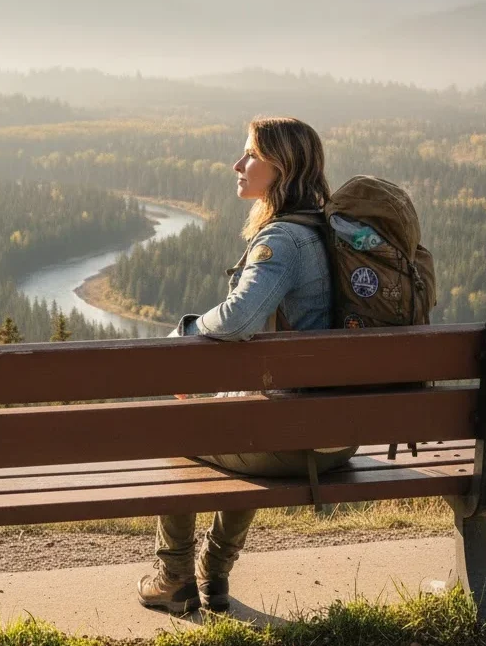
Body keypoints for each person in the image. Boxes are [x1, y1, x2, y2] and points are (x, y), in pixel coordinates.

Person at [136, 116, 357, 616]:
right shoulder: (335, 230)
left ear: (282, 167)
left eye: (250, 156)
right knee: (245, 413)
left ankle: (174, 578)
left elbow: (239, 318)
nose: (238, 165)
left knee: (177, 426)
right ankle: (212, 575)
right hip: (341, 432)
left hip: (294, 439)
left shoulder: (284, 241)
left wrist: (184, 333)